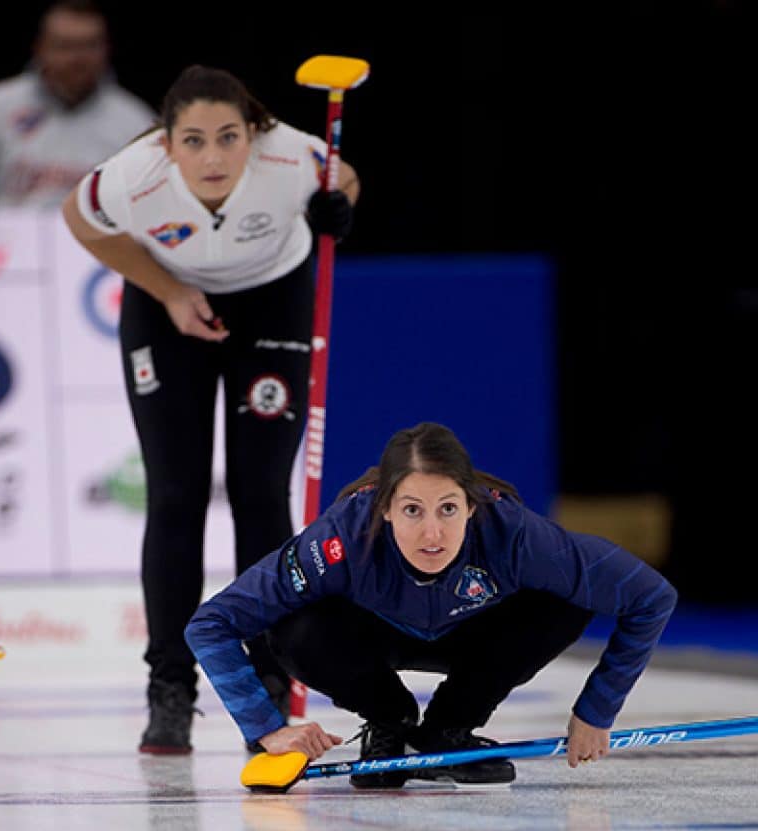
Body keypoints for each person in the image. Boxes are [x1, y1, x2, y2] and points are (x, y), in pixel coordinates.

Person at [61, 64, 359, 754]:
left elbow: (342, 178)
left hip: (272, 303)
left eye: (229, 137)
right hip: (168, 309)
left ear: (254, 135)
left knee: (260, 494)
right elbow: (80, 219)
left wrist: (338, 209)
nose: (214, 155)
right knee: (174, 494)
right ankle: (170, 688)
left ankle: (271, 682)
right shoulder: (133, 174)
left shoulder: (289, 155)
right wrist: (165, 290)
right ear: (167, 144)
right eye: (193, 140)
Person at [184, 421, 678, 789]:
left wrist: (597, 710)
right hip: (373, 640)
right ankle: (389, 721)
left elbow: (651, 597)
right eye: (412, 511)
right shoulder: (338, 541)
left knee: (566, 601)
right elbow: (211, 625)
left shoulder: (519, 536)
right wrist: (266, 728)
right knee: (296, 627)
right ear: (384, 509)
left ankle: (448, 728)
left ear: (471, 504)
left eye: (447, 509)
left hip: (477, 639)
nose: (432, 533)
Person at [0, 0, 154, 207]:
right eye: (65, 46)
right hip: (7, 235)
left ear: (106, 49)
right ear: (40, 48)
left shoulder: (136, 123)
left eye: (89, 45)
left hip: (94, 238)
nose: (78, 58)